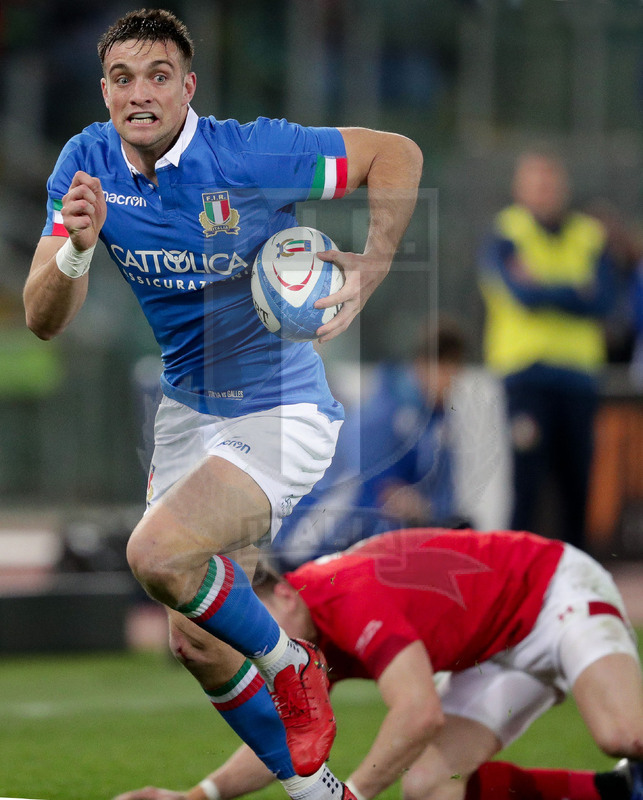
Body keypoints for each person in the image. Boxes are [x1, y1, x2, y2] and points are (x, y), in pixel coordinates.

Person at [22, 8, 423, 799]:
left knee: (155, 554)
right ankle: (323, 795)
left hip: (282, 410)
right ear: (104, 89)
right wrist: (73, 247)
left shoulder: (250, 152)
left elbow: (395, 154)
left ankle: (289, 662)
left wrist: (374, 263)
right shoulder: (86, 161)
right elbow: (41, 320)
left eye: (159, 76)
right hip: (188, 414)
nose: (141, 93)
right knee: (196, 643)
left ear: (187, 87)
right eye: (124, 78)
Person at [112, 526, 643, 800]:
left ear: (289, 599)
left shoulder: (345, 594)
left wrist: (353, 794)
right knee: (429, 784)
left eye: (259, 627)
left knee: (624, 734)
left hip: (552, 591)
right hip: (493, 649)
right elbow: (284, 742)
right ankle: (619, 792)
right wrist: (201, 794)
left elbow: (419, 712)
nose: (255, 647)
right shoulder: (306, 634)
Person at [478, 149, 615, 551]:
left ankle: (577, 589)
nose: (544, 190)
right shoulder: (505, 233)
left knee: (578, 491)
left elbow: (604, 300)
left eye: (550, 181)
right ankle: (515, 584)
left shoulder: (590, 235)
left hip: (578, 381)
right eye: (535, 182)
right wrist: (574, 290)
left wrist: (545, 288)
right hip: (526, 379)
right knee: (527, 487)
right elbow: (521, 294)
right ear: (518, 188)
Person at [271, 317, 469, 569]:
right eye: (447, 372)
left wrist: (431, 511)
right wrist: (394, 495)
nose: (452, 383)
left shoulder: (440, 423)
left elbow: (443, 490)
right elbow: (362, 478)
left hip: (395, 535)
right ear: (423, 365)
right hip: (327, 536)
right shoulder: (384, 410)